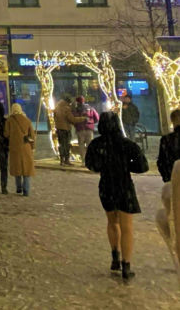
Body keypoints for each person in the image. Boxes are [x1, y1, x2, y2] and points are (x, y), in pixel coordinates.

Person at [85, 111, 149, 280]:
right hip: (124, 186)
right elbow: (142, 166)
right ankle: (126, 266)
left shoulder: (96, 145)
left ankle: (115, 257)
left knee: (112, 222)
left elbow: (92, 165)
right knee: (127, 227)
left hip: (106, 186)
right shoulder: (127, 145)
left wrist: (105, 165)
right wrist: (127, 165)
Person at [4, 102, 35, 196]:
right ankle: (26, 190)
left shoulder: (9, 120)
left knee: (17, 167)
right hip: (26, 147)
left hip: (15, 147)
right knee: (26, 169)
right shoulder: (27, 120)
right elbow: (32, 135)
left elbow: (6, 134)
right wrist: (33, 147)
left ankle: (18, 187)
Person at [53, 94, 83, 166]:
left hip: (59, 128)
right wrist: (82, 118)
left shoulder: (57, 107)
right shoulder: (66, 108)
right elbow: (71, 119)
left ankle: (61, 161)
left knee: (61, 144)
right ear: (68, 101)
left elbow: (55, 117)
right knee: (66, 145)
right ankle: (66, 160)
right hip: (65, 129)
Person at [157, 108, 180, 182]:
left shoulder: (166, 139)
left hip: (172, 178)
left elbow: (161, 161)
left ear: (172, 121)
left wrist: (166, 178)